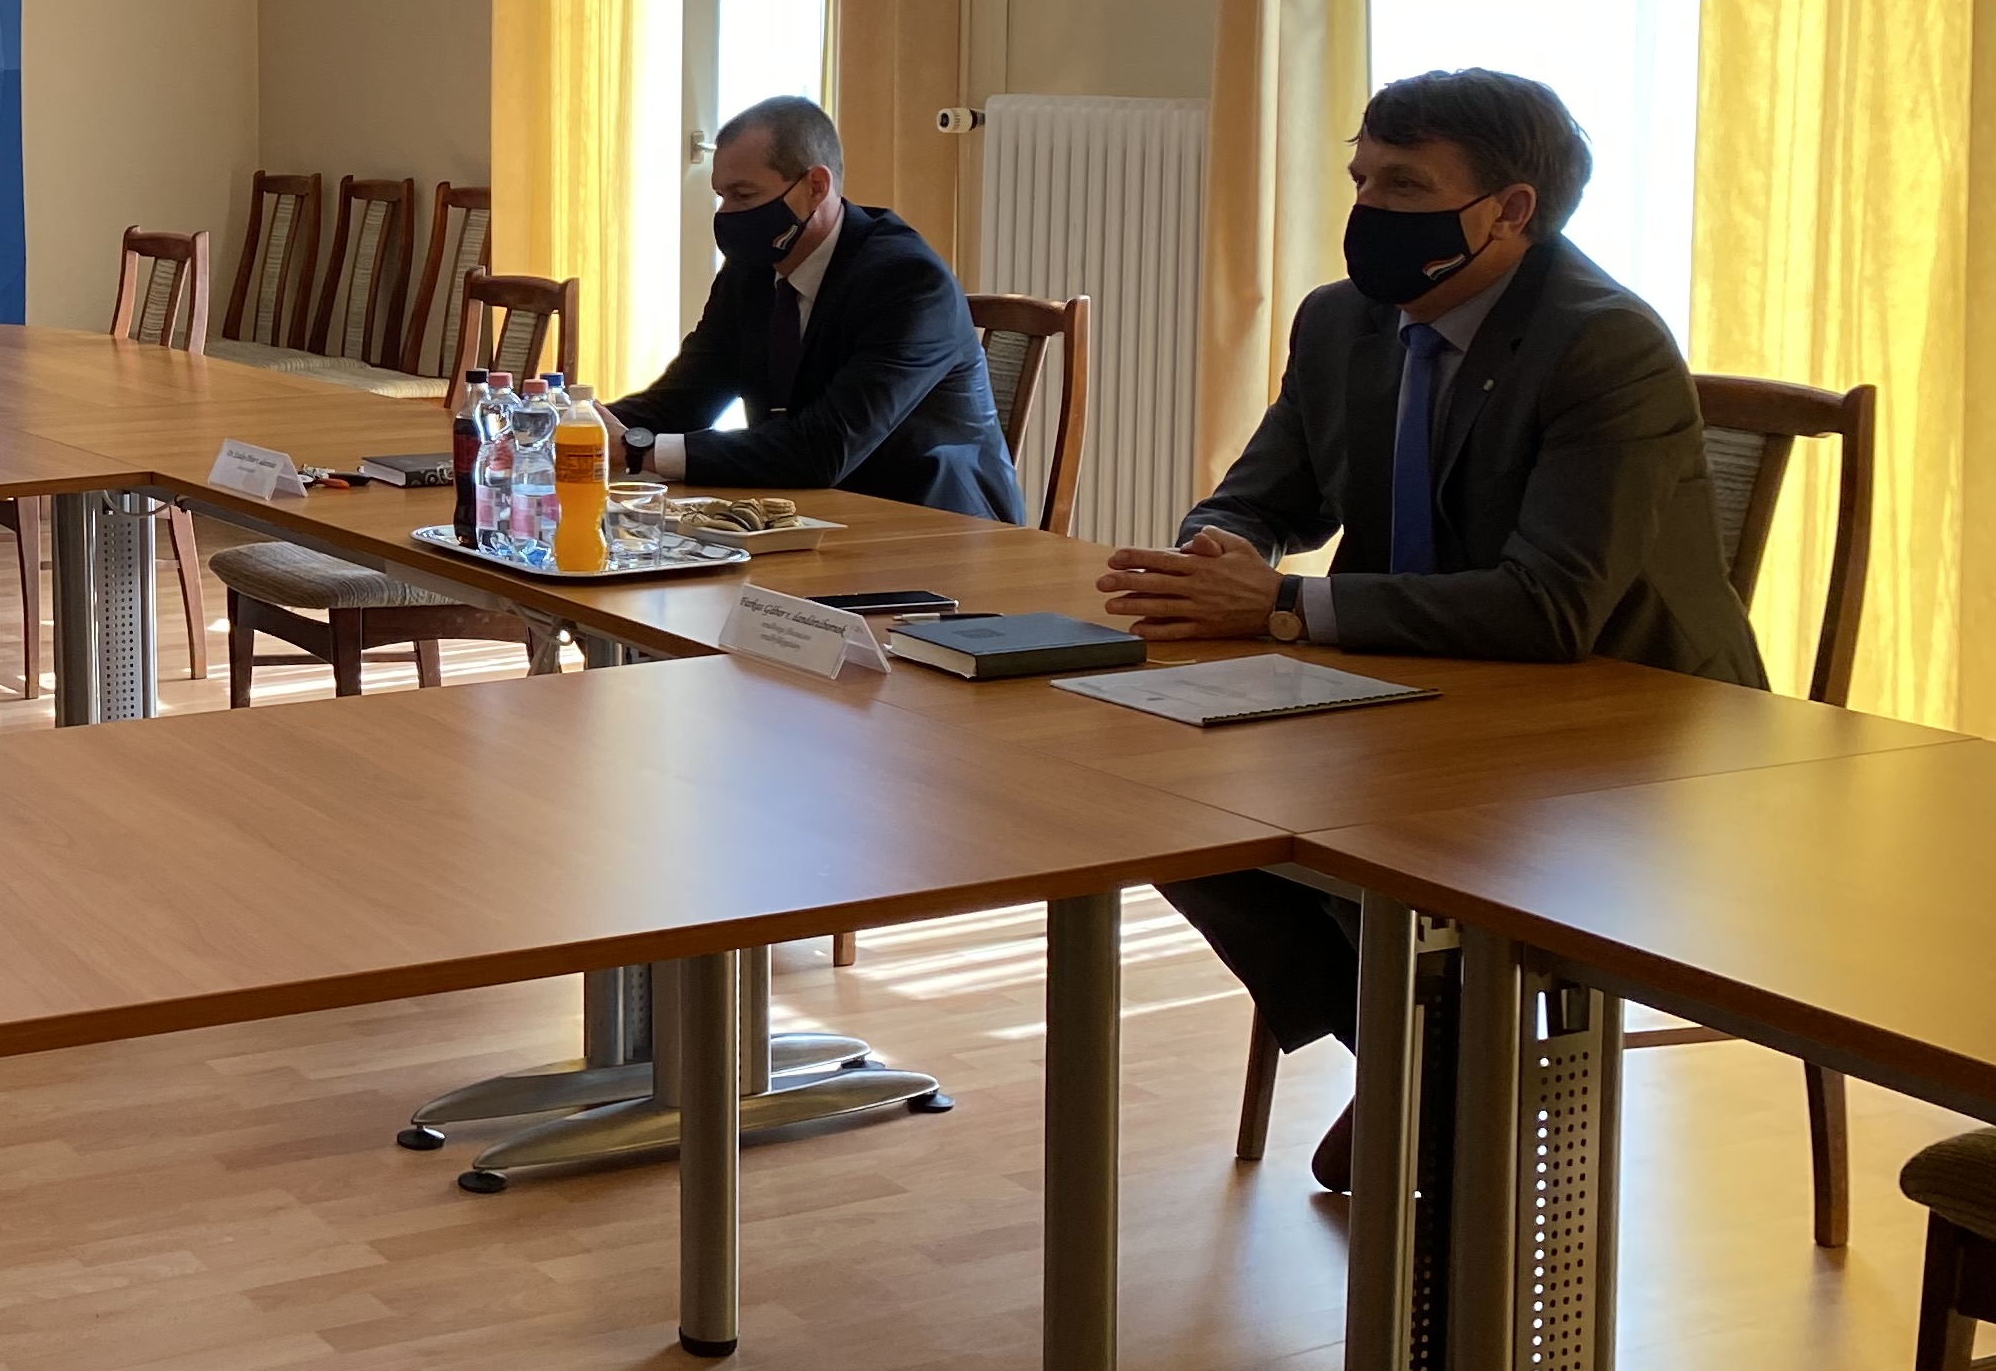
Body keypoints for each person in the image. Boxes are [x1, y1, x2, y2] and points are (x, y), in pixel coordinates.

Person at [1103, 68, 1762, 1189]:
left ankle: (1438, 1076)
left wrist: (1281, 607)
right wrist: (1219, 550)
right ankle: (1421, 1063)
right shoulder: (1341, 321)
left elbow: (1551, 606)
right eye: (1361, 178)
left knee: (1377, 832)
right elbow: (1262, 496)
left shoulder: (1603, 344)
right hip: (1412, 689)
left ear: (1511, 210)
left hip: (1626, 730)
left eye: (1405, 186)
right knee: (1156, 797)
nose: (1368, 209)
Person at [606, 95, 1024, 520]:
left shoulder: (909, 283)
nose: (726, 214)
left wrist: (641, 451)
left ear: (815, 187)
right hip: (810, 518)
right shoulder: (749, 273)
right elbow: (683, 399)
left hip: (933, 527)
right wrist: (583, 426)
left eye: (743, 195)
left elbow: (825, 448)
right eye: (721, 196)